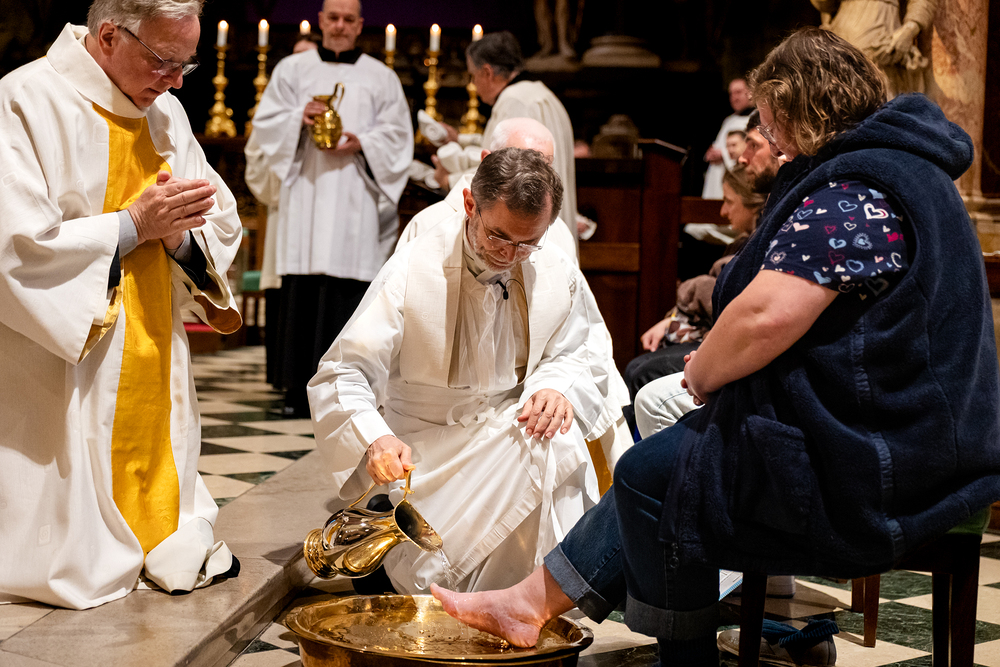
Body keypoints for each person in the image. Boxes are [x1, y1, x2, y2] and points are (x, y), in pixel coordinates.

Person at [431, 27, 1000, 667]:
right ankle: (528, 604)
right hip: (918, 433)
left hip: (885, 458)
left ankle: (680, 657)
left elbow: (764, 316)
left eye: (771, 119)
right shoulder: (908, 168)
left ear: (800, 107)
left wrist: (703, 373)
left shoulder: (856, 191)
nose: (769, 138)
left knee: (657, 477)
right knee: (669, 460)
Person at [0, 0, 243, 610]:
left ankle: (157, 536)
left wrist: (177, 238)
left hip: (154, 336)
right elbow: (15, 245)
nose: (176, 82)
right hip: (65, 349)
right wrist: (131, 227)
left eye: (186, 64)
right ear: (109, 35)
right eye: (164, 61)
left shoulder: (166, 113)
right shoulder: (26, 100)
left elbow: (218, 217)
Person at [309, 148, 617, 595]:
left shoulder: (551, 266)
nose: (510, 255)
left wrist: (555, 387)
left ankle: (517, 603)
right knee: (434, 567)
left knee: (556, 437)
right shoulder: (414, 268)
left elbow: (577, 349)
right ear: (471, 204)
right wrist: (375, 437)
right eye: (498, 236)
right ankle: (444, 586)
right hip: (424, 447)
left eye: (528, 242)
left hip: (501, 433)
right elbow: (343, 371)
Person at [397, 117, 633, 491]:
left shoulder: (552, 231)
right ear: (488, 161)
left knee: (561, 437)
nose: (533, 175)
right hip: (442, 416)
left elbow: (574, 337)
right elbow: (380, 348)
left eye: (545, 164)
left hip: (522, 399)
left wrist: (553, 387)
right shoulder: (431, 229)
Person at [251, 0, 413, 416]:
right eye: (333, 18)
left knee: (347, 294)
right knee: (301, 291)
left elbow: (398, 135)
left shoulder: (381, 77)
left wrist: (363, 142)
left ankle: (346, 394)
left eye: (348, 20)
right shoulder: (291, 70)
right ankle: (296, 391)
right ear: (321, 21)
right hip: (305, 194)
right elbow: (266, 124)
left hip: (353, 200)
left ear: (360, 25)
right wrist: (298, 117)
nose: (340, 26)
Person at [627, 165, 764, 432]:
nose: (723, 211)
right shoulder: (741, 242)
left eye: (729, 201)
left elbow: (724, 298)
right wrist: (672, 318)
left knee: (645, 374)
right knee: (637, 366)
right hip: (709, 329)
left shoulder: (757, 244)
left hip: (726, 340)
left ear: (751, 203)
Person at [435, 31, 578, 245]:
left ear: (487, 72)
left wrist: (448, 181)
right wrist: (461, 139)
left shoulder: (513, 101)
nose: (473, 84)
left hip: (531, 228)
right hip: (554, 225)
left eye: (473, 76)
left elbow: (503, 172)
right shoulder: (541, 93)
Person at [811, 0, 938, 97]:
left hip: (881, 34)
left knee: (882, 98)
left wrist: (910, 28)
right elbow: (825, 5)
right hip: (842, 34)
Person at [701, 78, 754, 199]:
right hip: (717, 177)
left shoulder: (756, 119)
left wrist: (722, 154)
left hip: (738, 181)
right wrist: (712, 152)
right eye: (731, 94)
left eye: (738, 92)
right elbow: (719, 146)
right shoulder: (729, 120)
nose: (734, 98)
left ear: (750, 93)